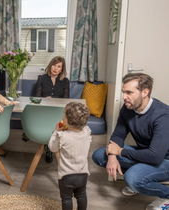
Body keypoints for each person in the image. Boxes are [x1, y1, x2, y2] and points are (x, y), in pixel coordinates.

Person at [92, 73, 169, 210]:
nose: (124, 97)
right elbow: (118, 136)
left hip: (164, 159)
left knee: (132, 178)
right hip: (146, 153)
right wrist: (112, 156)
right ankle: (141, 174)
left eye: (129, 92)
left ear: (145, 92)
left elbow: (155, 156)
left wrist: (120, 151)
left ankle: (165, 195)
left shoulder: (163, 115)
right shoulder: (128, 108)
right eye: (123, 92)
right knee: (99, 155)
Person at [48, 102, 91, 210]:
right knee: (81, 195)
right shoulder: (87, 132)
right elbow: (82, 128)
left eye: (64, 116)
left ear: (67, 120)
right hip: (83, 174)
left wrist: (56, 131)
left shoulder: (62, 136)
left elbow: (52, 147)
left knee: (66, 198)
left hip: (66, 176)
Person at [35, 56, 70, 163]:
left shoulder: (65, 81)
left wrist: (54, 100)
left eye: (58, 66)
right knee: (47, 120)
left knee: (59, 121)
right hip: (44, 110)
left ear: (61, 69)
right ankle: (49, 147)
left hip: (58, 112)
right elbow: (37, 98)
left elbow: (66, 100)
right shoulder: (42, 78)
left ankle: (50, 147)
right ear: (50, 66)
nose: (55, 68)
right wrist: (45, 100)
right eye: (54, 65)